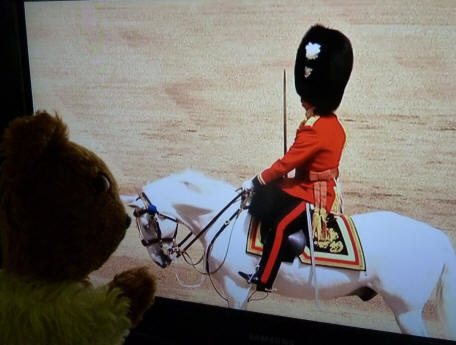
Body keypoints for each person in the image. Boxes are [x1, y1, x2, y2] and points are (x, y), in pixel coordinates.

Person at [239, 24, 353, 291]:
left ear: (315, 97)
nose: (303, 100)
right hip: (308, 187)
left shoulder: (314, 130)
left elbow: (287, 163)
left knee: (280, 226)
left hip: (314, 196)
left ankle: (264, 278)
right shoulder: (331, 123)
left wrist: (257, 180)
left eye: (306, 97)